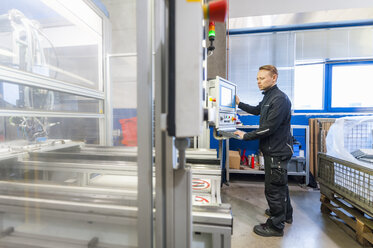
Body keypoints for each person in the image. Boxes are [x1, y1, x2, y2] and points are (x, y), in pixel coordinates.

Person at [234, 65, 293, 237]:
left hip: (276, 150)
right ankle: (285, 214)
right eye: (257, 79)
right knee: (281, 185)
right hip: (273, 149)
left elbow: (269, 128)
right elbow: (256, 110)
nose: (258, 82)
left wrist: (245, 136)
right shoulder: (269, 96)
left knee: (274, 188)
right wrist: (239, 103)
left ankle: (275, 226)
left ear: (274, 78)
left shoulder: (280, 99)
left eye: (262, 78)